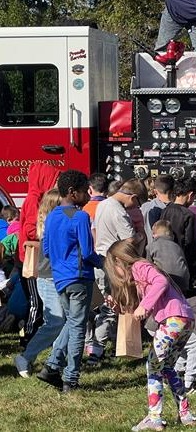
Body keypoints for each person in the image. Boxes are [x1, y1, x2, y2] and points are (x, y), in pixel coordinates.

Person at [104, 240, 196, 431]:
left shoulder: (140, 266)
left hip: (173, 320)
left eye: (114, 268)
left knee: (153, 366)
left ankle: (154, 417)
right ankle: (186, 414)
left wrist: (144, 306)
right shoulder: (138, 275)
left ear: (119, 261)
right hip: (185, 320)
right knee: (167, 367)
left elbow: (160, 281)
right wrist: (118, 308)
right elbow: (135, 305)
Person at [37, 170, 101, 392]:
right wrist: (104, 264)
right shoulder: (80, 216)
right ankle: (70, 378)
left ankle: (52, 366)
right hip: (79, 276)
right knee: (78, 327)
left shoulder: (52, 215)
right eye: (85, 191)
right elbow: (88, 250)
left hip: (59, 278)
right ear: (73, 193)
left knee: (72, 322)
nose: (88, 195)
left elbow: (45, 250)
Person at [86, 178, 147, 364]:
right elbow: (128, 240)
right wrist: (140, 235)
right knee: (112, 307)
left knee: (104, 304)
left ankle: (98, 345)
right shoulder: (119, 211)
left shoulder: (103, 204)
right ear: (133, 196)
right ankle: (96, 350)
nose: (134, 207)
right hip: (116, 263)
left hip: (101, 257)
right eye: (136, 202)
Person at [14, 189, 64, 378]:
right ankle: (26, 357)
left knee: (63, 320)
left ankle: (56, 360)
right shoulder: (48, 224)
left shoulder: (50, 222)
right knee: (56, 320)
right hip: (48, 276)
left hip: (56, 275)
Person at [18, 162, 61, 347]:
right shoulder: (34, 200)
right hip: (31, 257)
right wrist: (46, 234)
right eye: (54, 178)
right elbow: (29, 229)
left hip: (32, 256)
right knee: (35, 300)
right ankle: (28, 336)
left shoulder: (35, 197)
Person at [160, 178, 196, 282]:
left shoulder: (164, 211)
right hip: (182, 263)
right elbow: (191, 243)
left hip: (163, 262)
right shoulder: (188, 215)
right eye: (194, 197)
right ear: (190, 195)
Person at [148, 220, 190, 294]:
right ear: (172, 235)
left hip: (166, 281)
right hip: (183, 281)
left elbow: (148, 265)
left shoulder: (151, 247)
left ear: (154, 234)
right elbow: (185, 263)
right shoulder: (177, 247)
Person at [142, 174, 175, 258]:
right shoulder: (177, 210)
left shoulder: (145, 208)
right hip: (170, 256)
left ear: (155, 191)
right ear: (173, 190)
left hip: (148, 254)